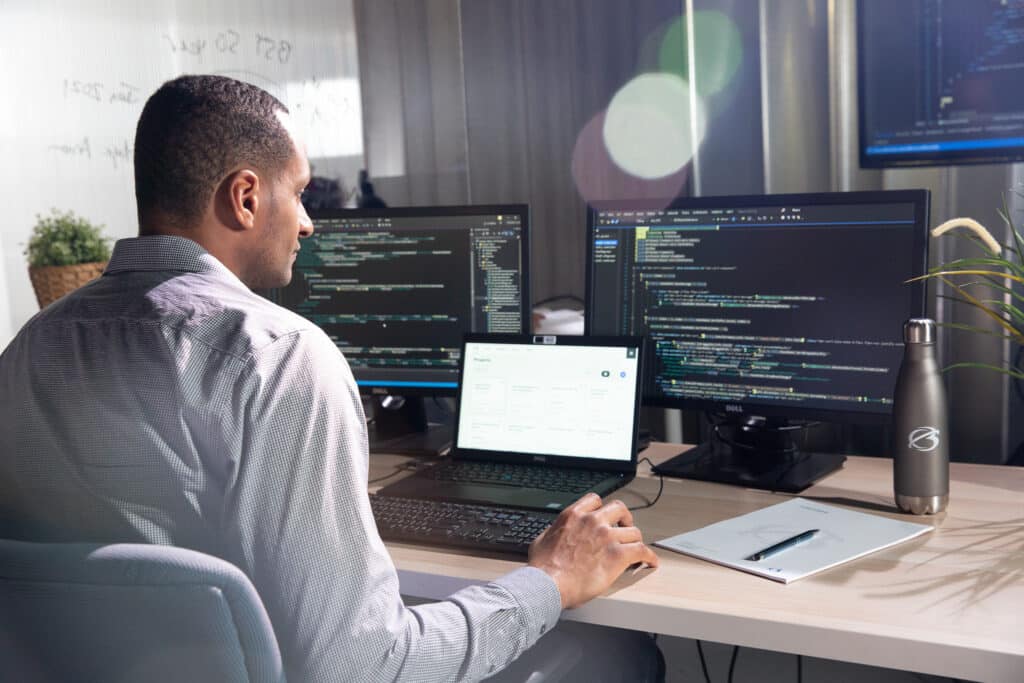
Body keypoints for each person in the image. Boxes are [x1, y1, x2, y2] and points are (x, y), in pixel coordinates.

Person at [0, 75, 661, 682]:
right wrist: (550, 579)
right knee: (626, 654)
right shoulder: (281, 357)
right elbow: (363, 666)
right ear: (246, 196)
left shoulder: (27, 351)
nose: (311, 221)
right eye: (301, 192)